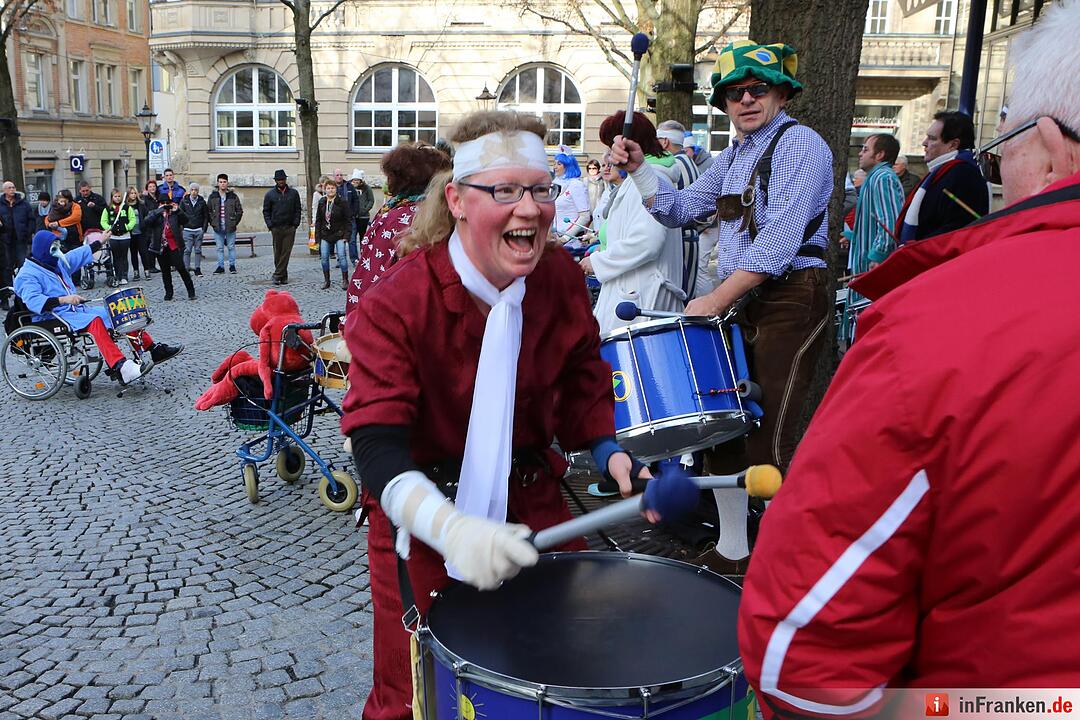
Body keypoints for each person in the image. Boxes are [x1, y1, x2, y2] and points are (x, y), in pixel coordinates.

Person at [738, 2, 1080, 713]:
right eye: (734, 92)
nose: (744, 101)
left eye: (1005, 134)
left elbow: (803, 656)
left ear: (1051, 145)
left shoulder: (945, 326)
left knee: (772, 417)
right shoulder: (738, 153)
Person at [341, 110, 652, 720]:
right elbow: (375, 442)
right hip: (424, 519)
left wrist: (611, 452)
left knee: (557, 672)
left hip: (535, 502)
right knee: (415, 698)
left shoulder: (558, 276)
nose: (529, 208)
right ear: (456, 199)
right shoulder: (398, 302)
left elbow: (582, 373)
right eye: (504, 191)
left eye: (539, 189)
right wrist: (451, 527)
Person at [15, 230, 183, 385]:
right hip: (52, 316)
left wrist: (99, 242)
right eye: (54, 248)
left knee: (117, 311)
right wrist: (65, 299)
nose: (58, 252)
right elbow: (34, 301)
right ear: (43, 250)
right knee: (94, 321)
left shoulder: (55, 263)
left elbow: (76, 256)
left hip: (73, 311)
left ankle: (153, 348)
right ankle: (120, 366)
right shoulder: (27, 274)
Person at [582, 112, 684, 334]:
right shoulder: (641, 180)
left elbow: (647, 241)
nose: (608, 157)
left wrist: (597, 263)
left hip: (640, 299)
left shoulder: (650, 181)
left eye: (612, 148)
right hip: (632, 295)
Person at [345, 142, 451, 312]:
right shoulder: (446, 213)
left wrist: (353, 322)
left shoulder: (394, 216)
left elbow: (370, 273)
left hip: (393, 314)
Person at [897, 111, 990, 242]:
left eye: (932, 138)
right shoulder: (944, 170)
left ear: (953, 144)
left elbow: (958, 228)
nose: (924, 143)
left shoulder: (963, 173)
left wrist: (917, 247)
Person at [848, 133, 905, 274]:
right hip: (867, 266)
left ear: (880, 154)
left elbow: (889, 223)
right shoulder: (875, 177)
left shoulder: (883, 178)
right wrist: (852, 235)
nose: (860, 154)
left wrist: (878, 256)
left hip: (874, 269)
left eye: (865, 150)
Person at [144, 197, 196, 301]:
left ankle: (191, 291)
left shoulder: (175, 213)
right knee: (165, 271)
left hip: (174, 244)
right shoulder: (155, 213)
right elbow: (147, 222)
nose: (165, 205)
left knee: (181, 268)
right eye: (162, 203)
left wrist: (178, 211)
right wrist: (159, 210)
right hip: (161, 246)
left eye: (167, 203)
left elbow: (186, 221)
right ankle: (169, 292)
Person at [263, 169, 302, 285]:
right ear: (276, 181)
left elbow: (298, 209)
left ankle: (277, 275)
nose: (281, 181)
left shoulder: (293, 193)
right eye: (279, 180)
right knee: (278, 252)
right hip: (276, 227)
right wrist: (270, 225)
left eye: (282, 179)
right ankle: (283, 275)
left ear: (285, 180)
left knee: (286, 251)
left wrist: (296, 223)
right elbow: (266, 211)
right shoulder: (270, 194)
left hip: (290, 227)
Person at [0, 181, 35, 309]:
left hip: (21, 240)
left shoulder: (23, 204)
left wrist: (28, 232)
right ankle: (5, 297)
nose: (12, 189)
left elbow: (31, 219)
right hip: (5, 241)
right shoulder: (0, 204)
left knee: (23, 266)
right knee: (6, 269)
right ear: (4, 190)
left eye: (13, 187)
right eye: (9, 188)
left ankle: (23, 295)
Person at [315, 180, 352, 290]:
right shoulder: (322, 202)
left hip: (339, 233)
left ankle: (345, 280)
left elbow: (348, 220)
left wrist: (346, 236)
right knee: (324, 258)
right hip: (325, 234)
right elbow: (318, 220)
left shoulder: (342, 202)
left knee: (342, 256)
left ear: (336, 189)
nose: (330, 190)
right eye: (328, 188)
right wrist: (318, 237)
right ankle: (327, 280)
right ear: (325, 190)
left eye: (332, 188)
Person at [206, 174, 243, 274]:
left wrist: (234, 222)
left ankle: (232, 266)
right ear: (218, 183)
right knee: (219, 248)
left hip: (230, 226)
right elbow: (208, 210)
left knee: (231, 246)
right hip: (218, 226)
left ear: (227, 183)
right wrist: (212, 222)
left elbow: (239, 211)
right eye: (221, 182)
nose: (222, 184)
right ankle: (220, 266)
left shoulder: (233, 196)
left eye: (224, 182)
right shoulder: (213, 196)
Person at [100, 188, 137, 285]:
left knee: (124, 257)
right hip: (114, 237)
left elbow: (132, 219)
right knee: (116, 257)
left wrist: (127, 227)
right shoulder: (107, 209)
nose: (117, 198)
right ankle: (118, 275)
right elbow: (103, 221)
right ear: (112, 197)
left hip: (125, 236)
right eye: (115, 196)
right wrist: (109, 228)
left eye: (119, 196)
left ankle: (124, 276)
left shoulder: (126, 208)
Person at [551, 150, 591, 240]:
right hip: (557, 237)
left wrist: (566, 237)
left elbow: (584, 216)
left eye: (559, 164)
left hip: (572, 238)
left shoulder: (576, 185)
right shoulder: (556, 185)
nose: (555, 167)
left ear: (568, 166)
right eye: (554, 164)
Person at [177, 182, 209, 275]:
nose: (194, 192)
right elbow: (180, 214)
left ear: (198, 191)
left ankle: (197, 268)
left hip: (198, 229)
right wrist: (182, 227)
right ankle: (186, 268)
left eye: (196, 190)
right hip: (187, 229)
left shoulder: (202, 202)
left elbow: (205, 216)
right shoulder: (184, 201)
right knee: (187, 250)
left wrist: (203, 229)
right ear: (189, 191)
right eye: (192, 190)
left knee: (198, 250)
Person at [333, 168, 361, 264]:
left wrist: (354, 212)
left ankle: (354, 259)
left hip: (349, 218)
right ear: (334, 176)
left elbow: (356, 200)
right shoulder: (332, 187)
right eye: (337, 175)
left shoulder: (349, 186)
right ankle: (340, 259)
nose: (339, 176)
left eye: (341, 174)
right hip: (337, 219)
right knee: (339, 240)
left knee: (352, 240)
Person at [125, 186, 151, 280]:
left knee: (144, 253)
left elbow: (147, 216)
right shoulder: (125, 206)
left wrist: (144, 224)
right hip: (131, 233)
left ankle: (146, 271)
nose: (133, 195)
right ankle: (136, 272)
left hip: (141, 232)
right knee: (133, 253)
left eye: (135, 193)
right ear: (128, 194)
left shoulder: (141, 204)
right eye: (131, 193)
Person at [137, 180, 161, 274]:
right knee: (149, 246)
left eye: (154, 186)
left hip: (157, 224)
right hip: (148, 225)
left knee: (155, 245)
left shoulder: (158, 197)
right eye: (150, 187)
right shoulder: (145, 199)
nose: (152, 188)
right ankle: (150, 266)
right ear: (147, 188)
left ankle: (153, 265)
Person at [350, 169, 375, 258]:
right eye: (354, 180)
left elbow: (371, 200)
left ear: (360, 180)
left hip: (363, 217)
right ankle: (354, 257)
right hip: (353, 217)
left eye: (357, 180)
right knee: (352, 239)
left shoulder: (367, 188)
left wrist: (365, 209)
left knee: (363, 237)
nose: (355, 181)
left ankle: (363, 255)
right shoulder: (350, 188)